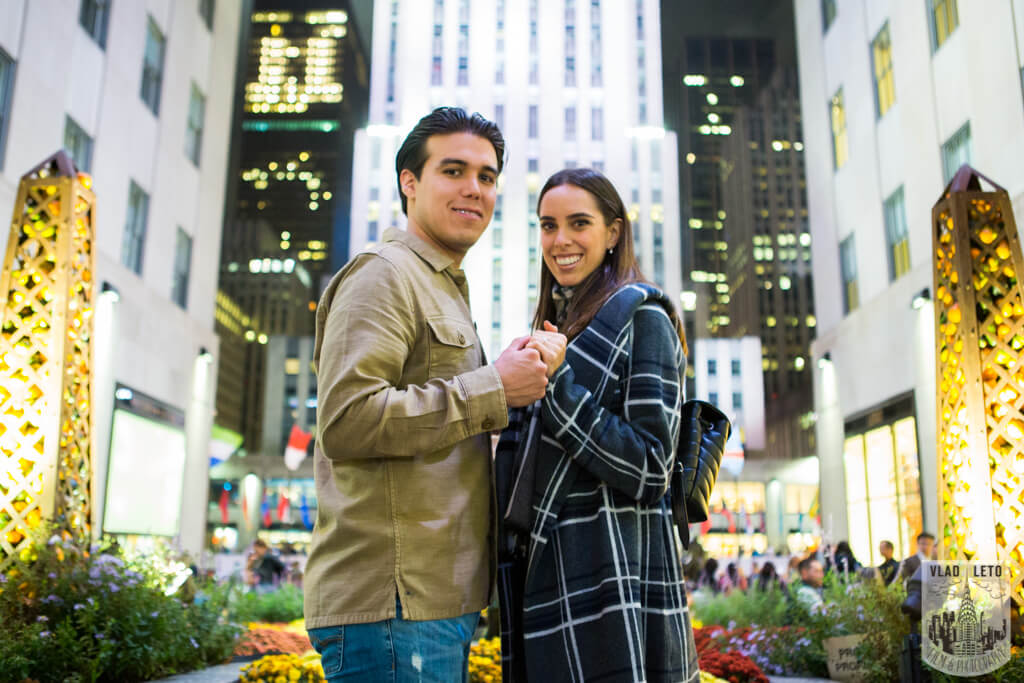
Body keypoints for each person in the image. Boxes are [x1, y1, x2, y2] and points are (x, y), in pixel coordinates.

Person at [303, 107, 550, 683]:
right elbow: (347, 422)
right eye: (454, 170)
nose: (474, 189)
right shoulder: (383, 275)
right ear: (409, 183)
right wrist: (494, 386)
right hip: (393, 604)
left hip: (430, 600)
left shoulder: (440, 286)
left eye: (487, 177)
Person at [495, 168, 698, 682]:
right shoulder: (555, 324)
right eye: (547, 225)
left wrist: (558, 386)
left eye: (578, 223)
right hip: (546, 568)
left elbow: (653, 467)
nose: (559, 240)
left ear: (613, 233)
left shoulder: (643, 316)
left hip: (612, 577)